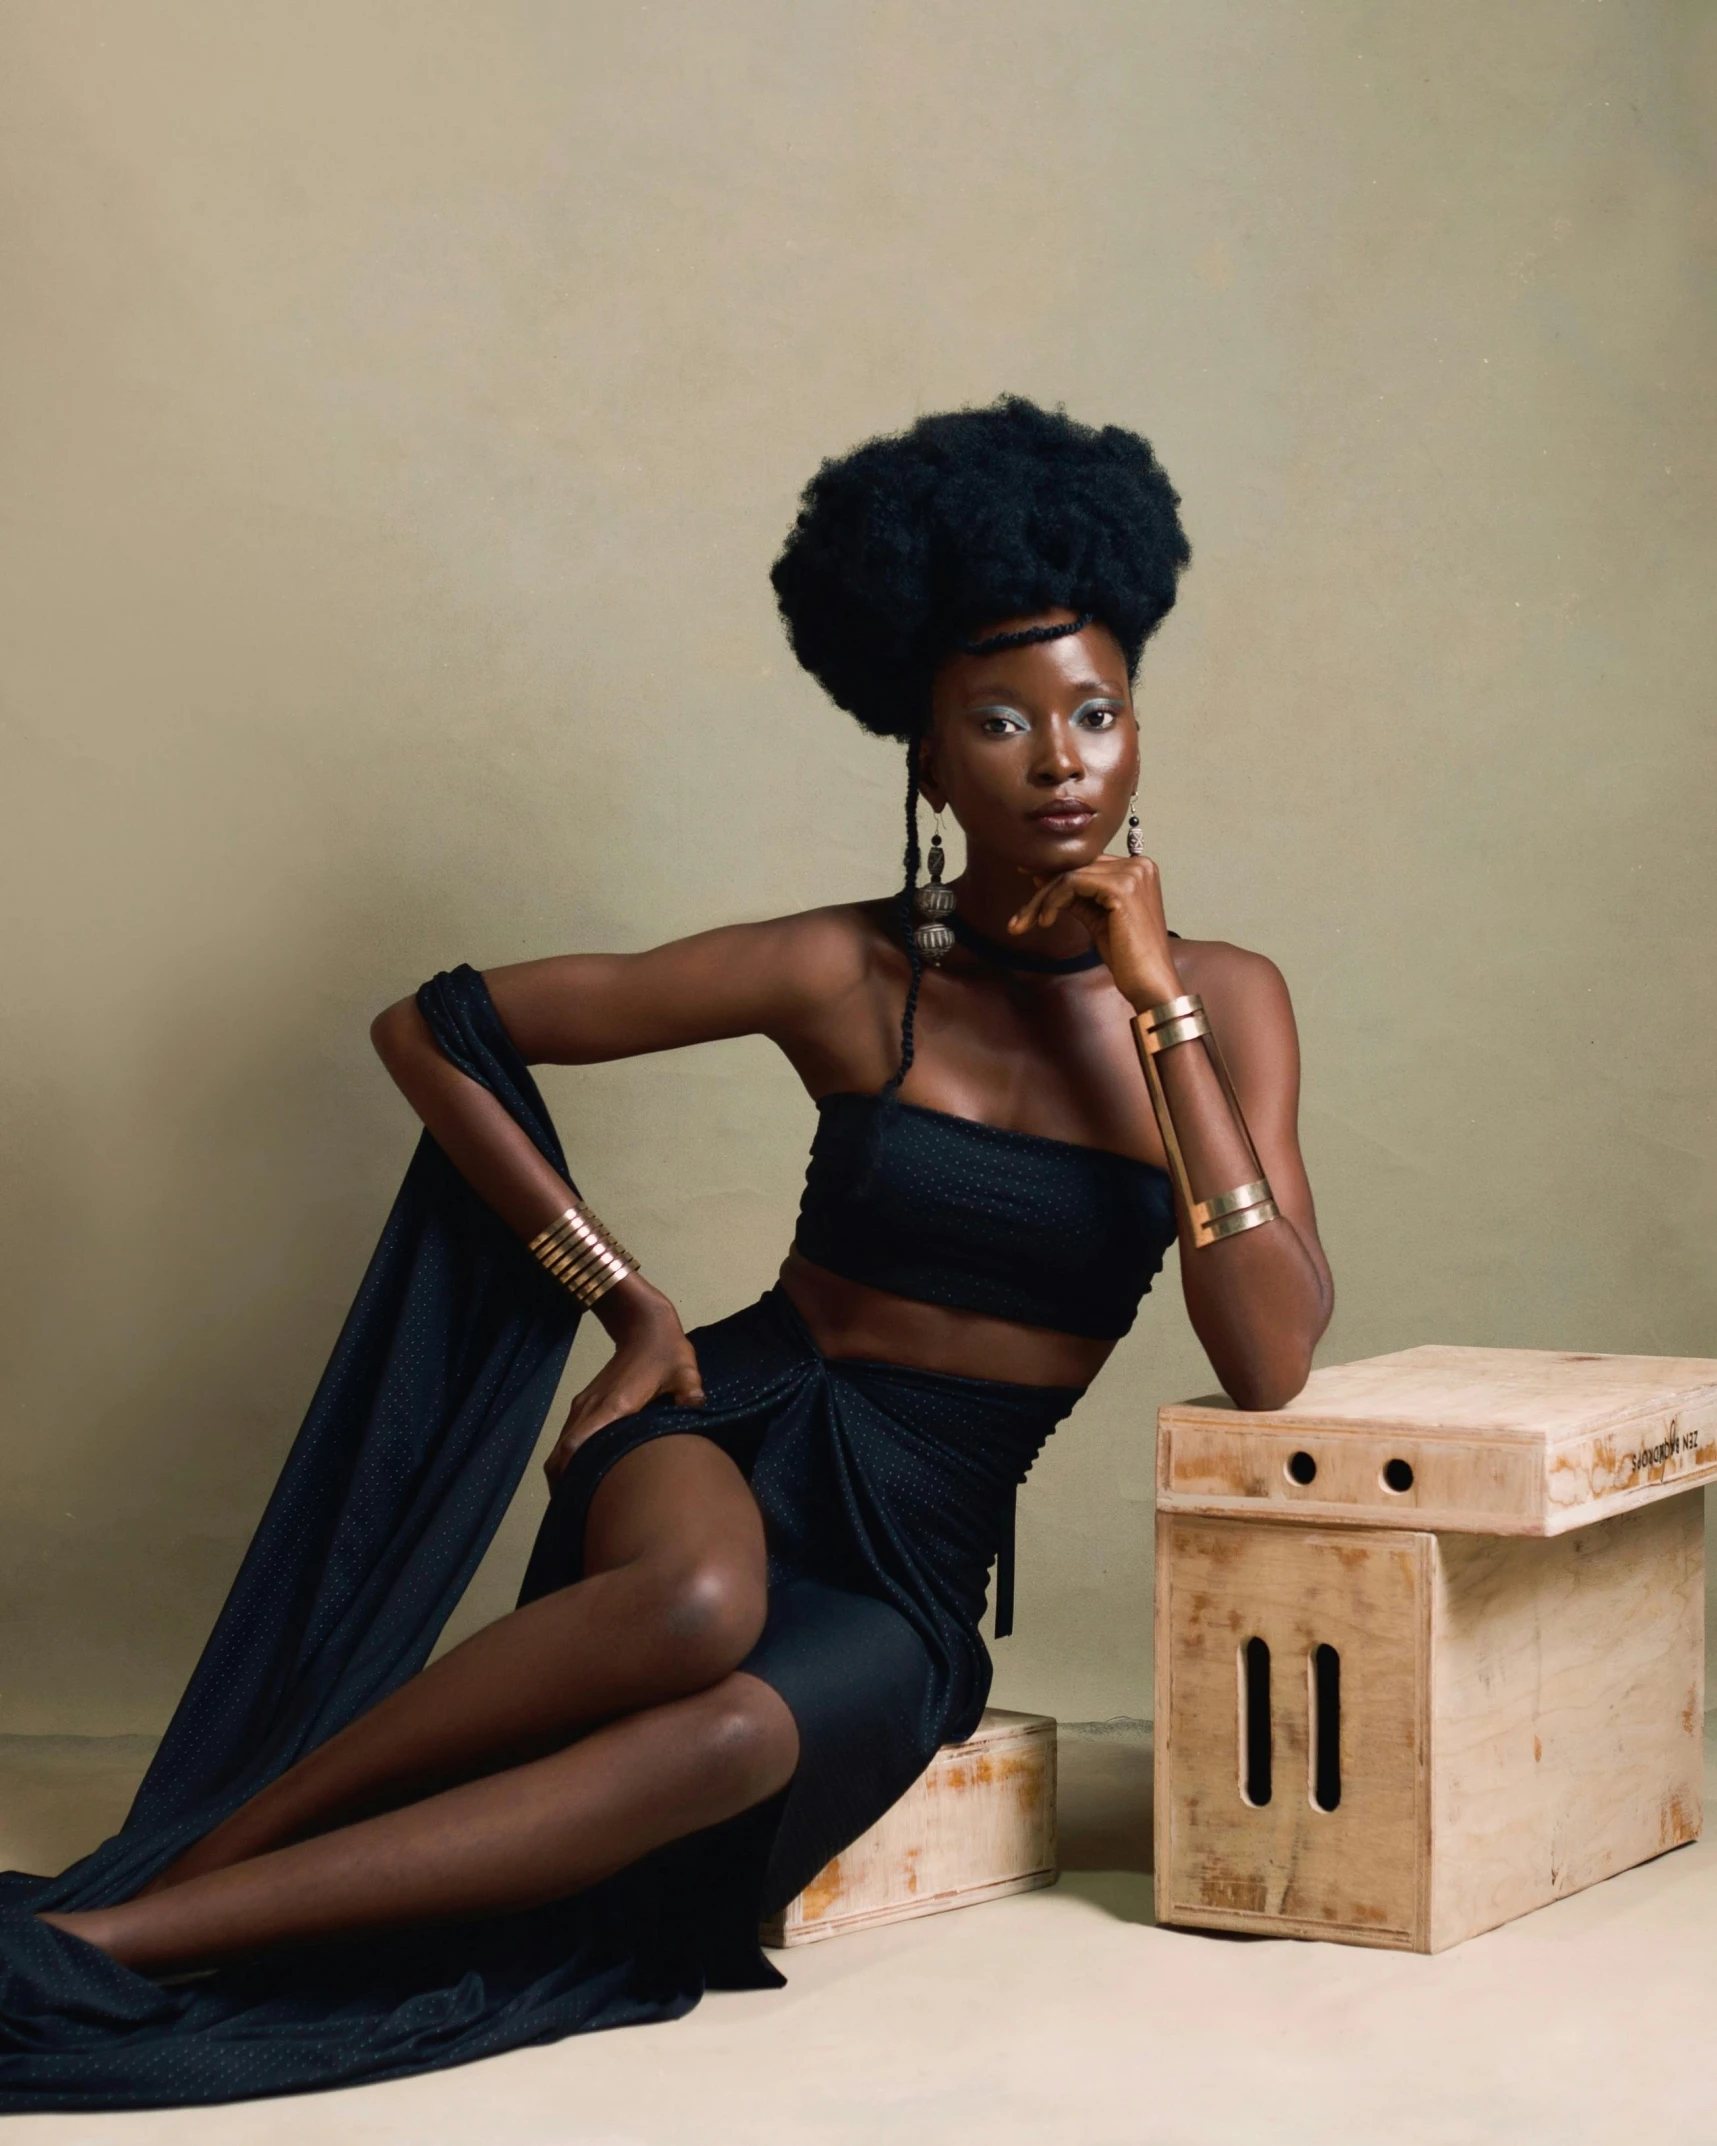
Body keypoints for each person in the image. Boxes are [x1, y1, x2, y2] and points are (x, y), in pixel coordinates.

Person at [2, 396, 1331, 2109]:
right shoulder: (846, 971)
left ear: (1137, 730)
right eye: (1000, 720)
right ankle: (148, 1897)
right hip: (733, 1422)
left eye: (1096, 711)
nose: (1059, 759)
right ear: (928, 758)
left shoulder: (1228, 1001)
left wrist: (1155, 1008)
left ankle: (144, 1934)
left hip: (913, 1554)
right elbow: (440, 1026)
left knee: (722, 1736)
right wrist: (617, 1294)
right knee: (697, 1603)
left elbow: (1271, 1351)